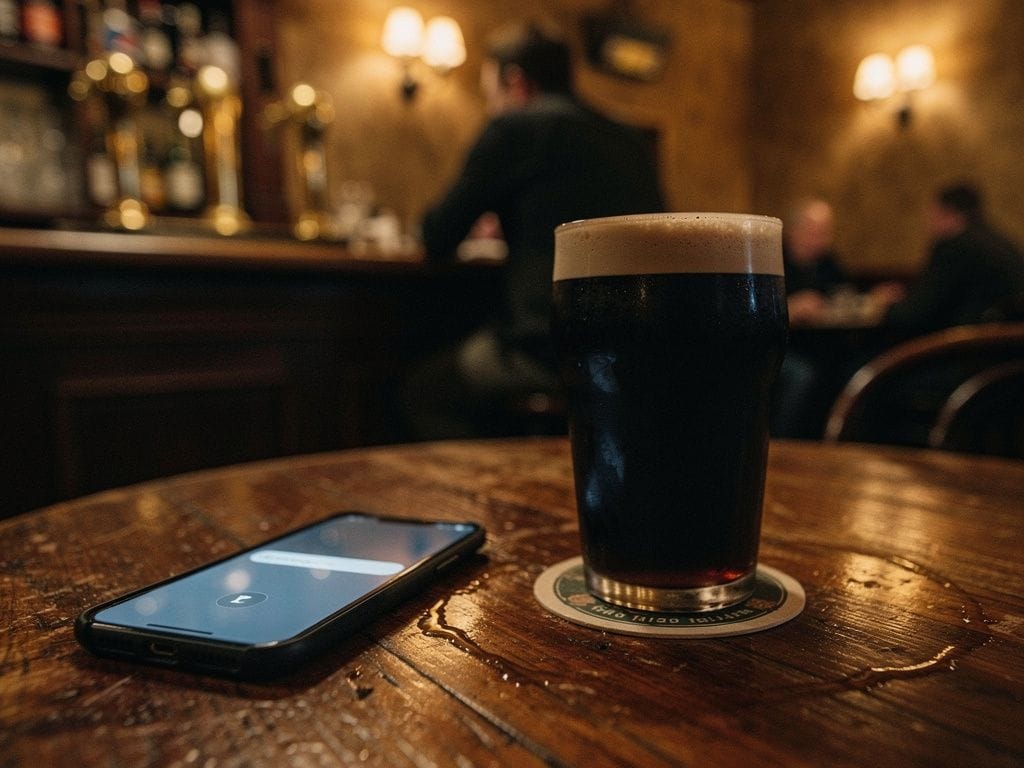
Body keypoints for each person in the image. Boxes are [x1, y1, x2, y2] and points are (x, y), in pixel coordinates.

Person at [404, 21, 665, 439]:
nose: (491, 104)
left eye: (490, 92)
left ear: (515, 81)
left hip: (549, 349)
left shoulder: (516, 127)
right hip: (642, 348)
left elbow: (438, 233)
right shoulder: (628, 139)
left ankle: (486, 497)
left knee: (426, 391)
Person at [877, 183, 1024, 334]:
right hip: (1005, 345)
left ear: (946, 213)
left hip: (965, 346)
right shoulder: (1000, 241)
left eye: (933, 215)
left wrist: (884, 305)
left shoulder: (954, 246)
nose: (928, 224)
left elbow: (915, 314)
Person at [773, 198, 852, 437]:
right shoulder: (774, 259)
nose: (822, 240)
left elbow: (844, 293)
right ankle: (785, 443)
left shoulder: (827, 262)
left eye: (826, 233)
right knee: (803, 375)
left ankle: (828, 440)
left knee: (844, 368)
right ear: (793, 231)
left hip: (817, 344)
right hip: (781, 348)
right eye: (815, 232)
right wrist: (790, 308)